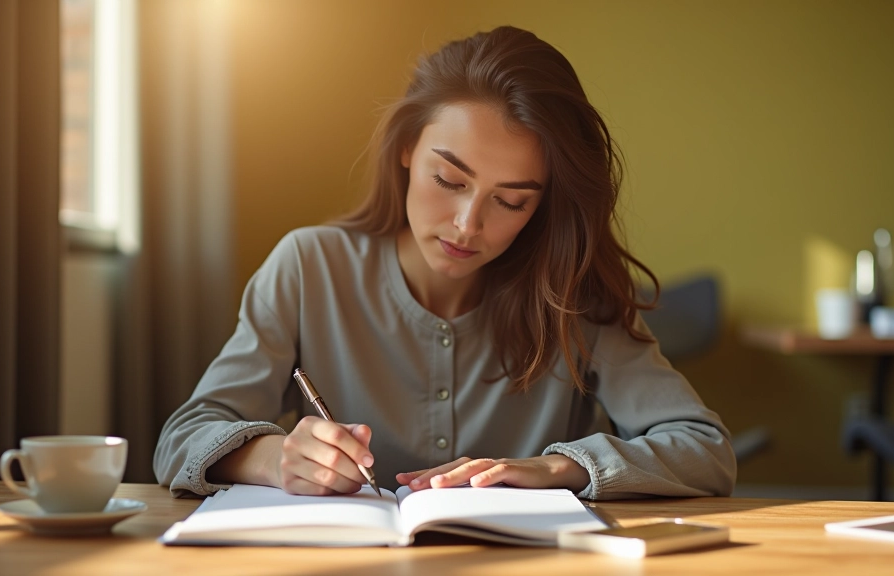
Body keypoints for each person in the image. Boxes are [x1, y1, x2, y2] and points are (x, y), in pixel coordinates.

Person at [154, 26, 736, 500]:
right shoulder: (308, 266)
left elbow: (705, 449)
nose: (467, 224)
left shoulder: (574, 294)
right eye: (449, 179)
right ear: (406, 149)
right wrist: (274, 457)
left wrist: (559, 469)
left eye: (511, 201)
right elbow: (182, 438)